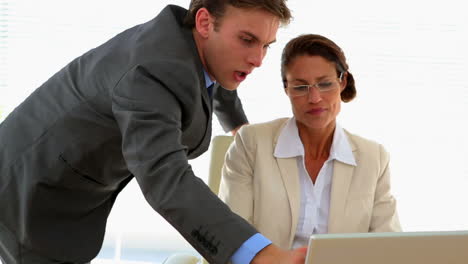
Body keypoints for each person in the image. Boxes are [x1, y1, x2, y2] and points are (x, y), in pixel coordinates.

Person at [0, 1, 308, 263]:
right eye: (247, 40)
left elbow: (218, 82)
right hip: (31, 190)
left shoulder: (193, 44)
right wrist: (258, 255)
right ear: (204, 22)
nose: (257, 60)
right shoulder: (151, 73)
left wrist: (240, 129)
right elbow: (166, 180)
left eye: (266, 46)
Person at [219, 34, 402, 250]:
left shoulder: (373, 157)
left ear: (342, 82)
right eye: (300, 87)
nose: (314, 98)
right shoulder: (251, 144)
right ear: (286, 88)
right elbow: (231, 236)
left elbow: (388, 246)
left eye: (324, 84)